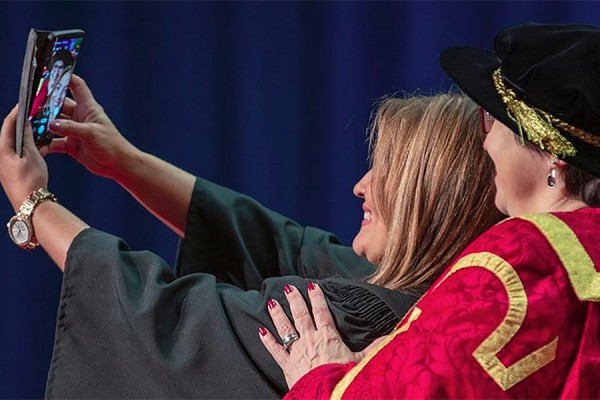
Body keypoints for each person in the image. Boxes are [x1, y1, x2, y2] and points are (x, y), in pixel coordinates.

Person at [0, 81, 500, 397]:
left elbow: (170, 319)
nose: (360, 185)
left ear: (427, 199)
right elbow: (272, 239)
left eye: (385, 171)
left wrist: (32, 204)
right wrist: (123, 161)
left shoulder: (346, 323)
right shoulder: (437, 293)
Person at [259, 23, 600, 399]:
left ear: (553, 151)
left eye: (493, 120)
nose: (485, 143)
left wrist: (320, 377)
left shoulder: (524, 254)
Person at [29, 49, 75, 117]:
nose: (56, 73)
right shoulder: (42, 85)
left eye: (60, 68)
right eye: (55, 67)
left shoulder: (64, 91)